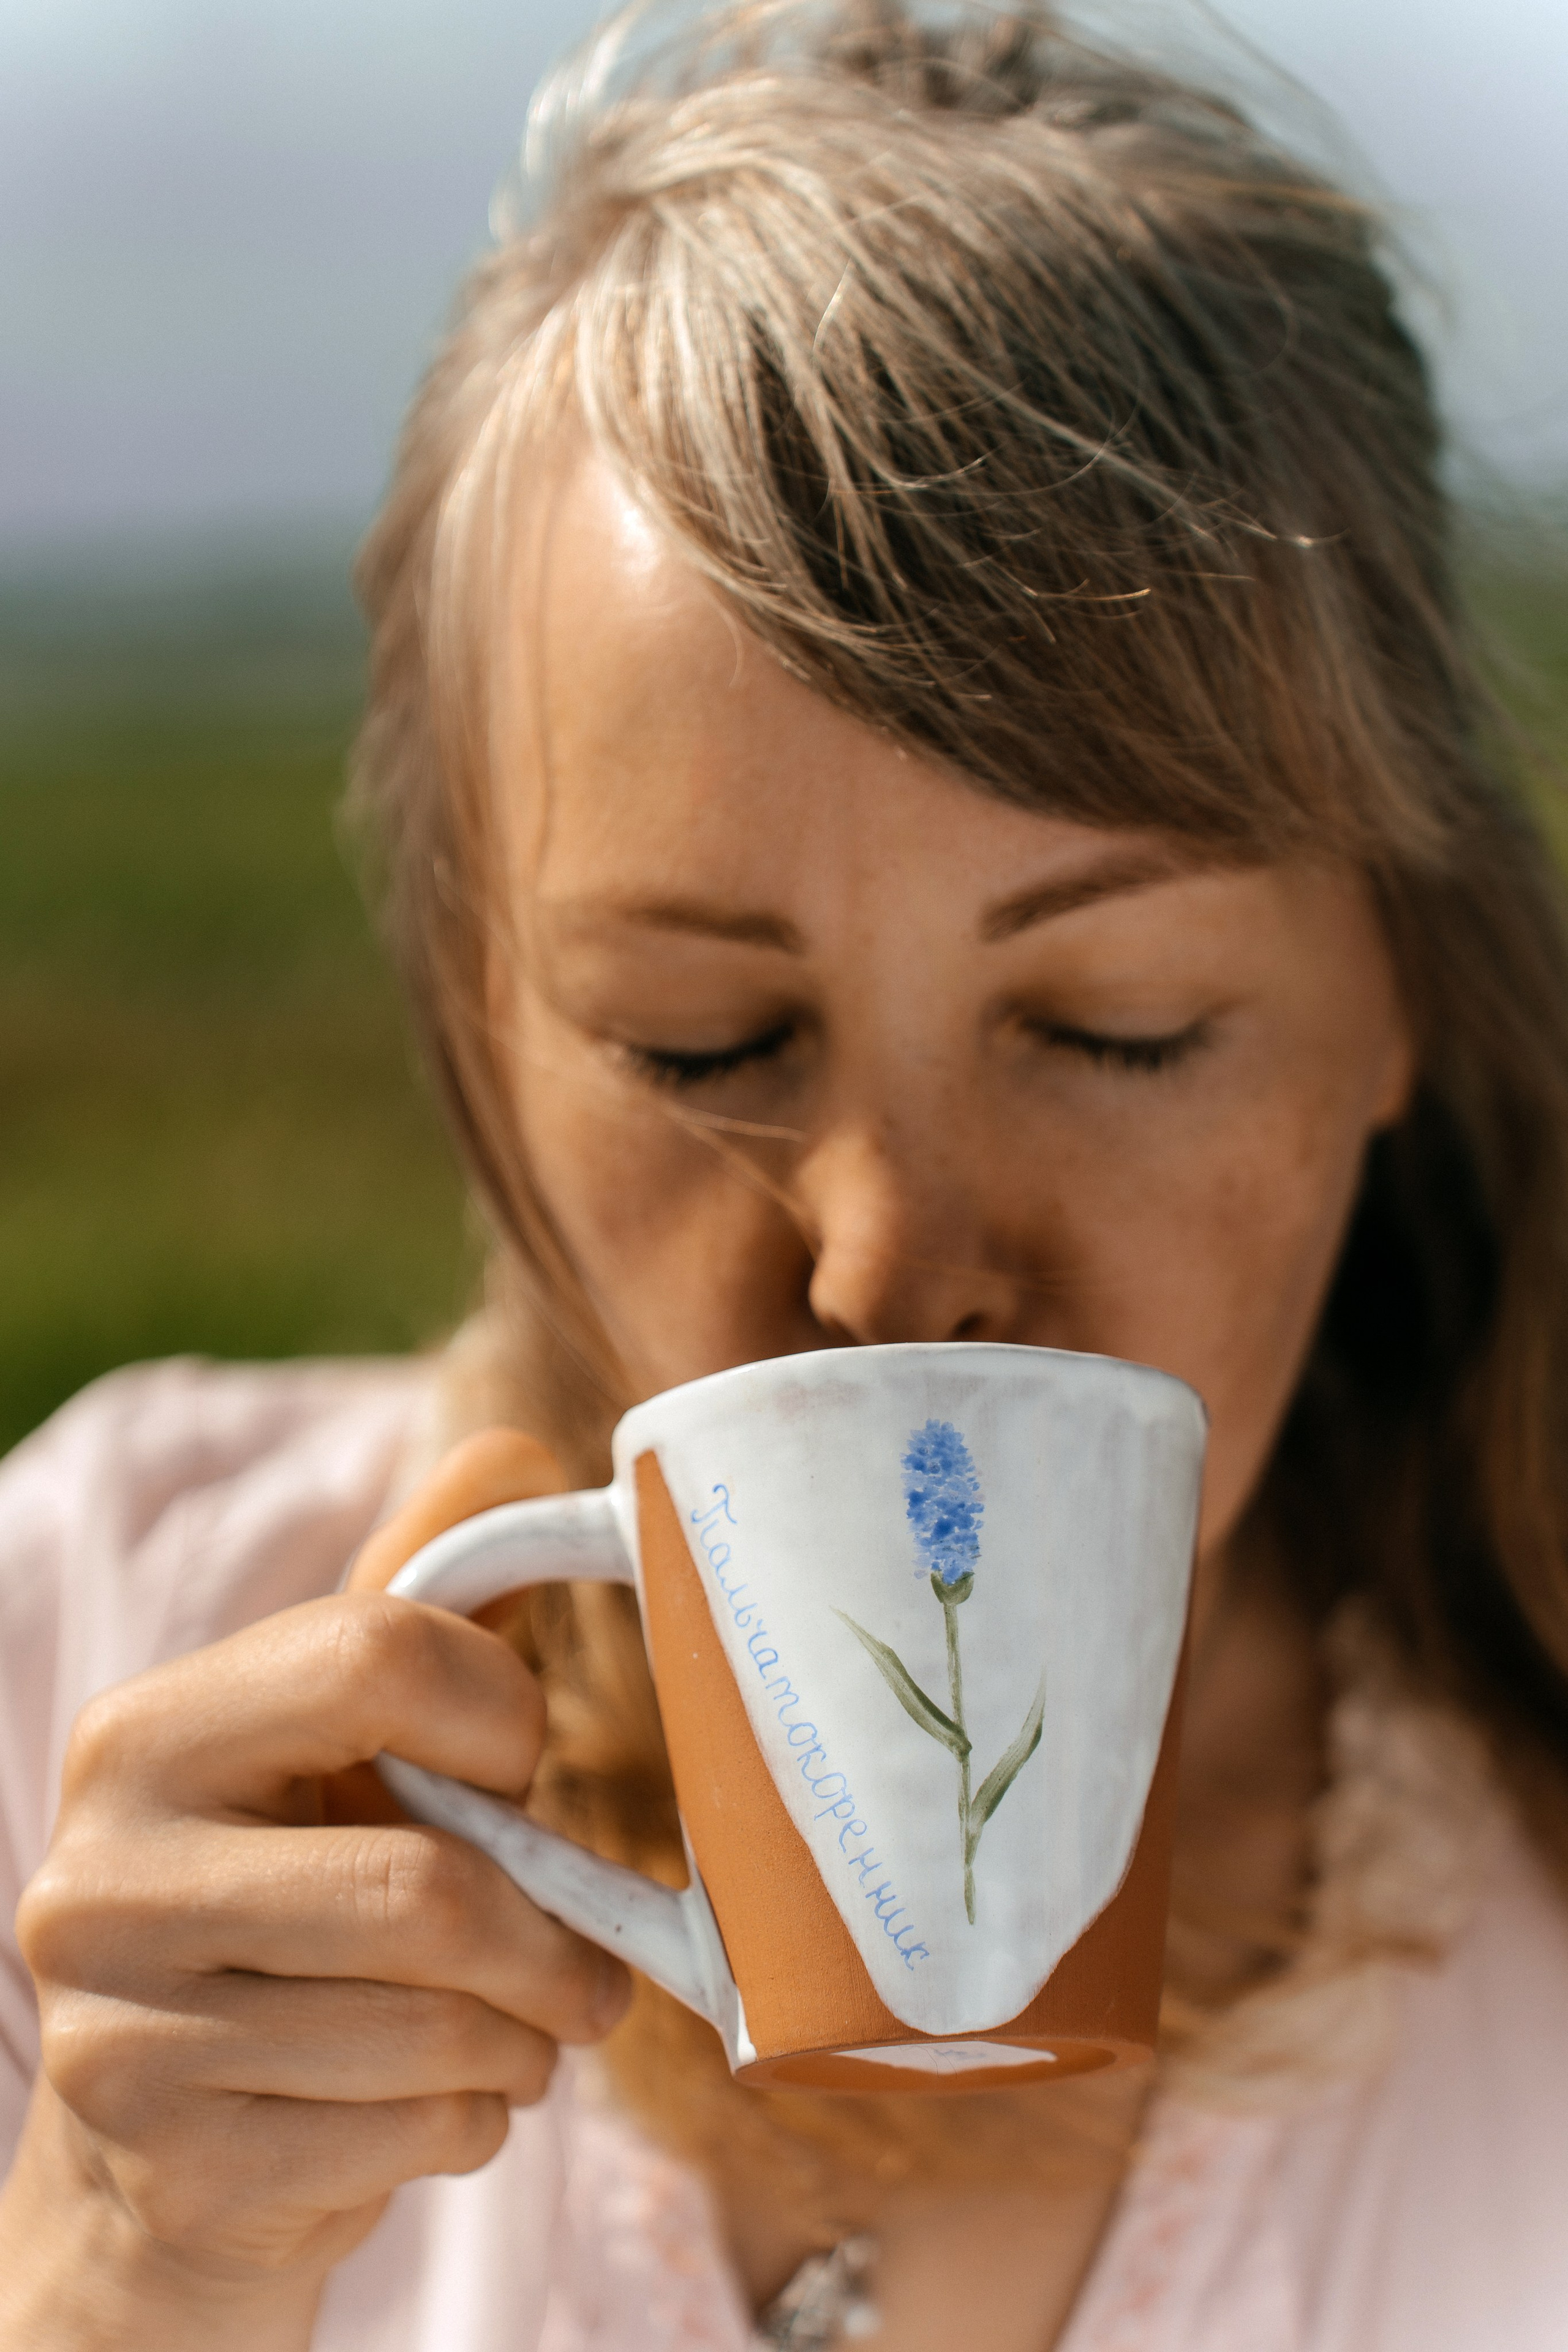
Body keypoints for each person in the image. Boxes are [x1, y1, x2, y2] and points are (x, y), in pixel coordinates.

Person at [3, 4, 1567, 2345]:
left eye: (1117, 1026)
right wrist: (121, 2265)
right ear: (478, 1031)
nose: (890, 1260)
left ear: (1401, 995)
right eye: (705, 1042)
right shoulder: (83, 1649)